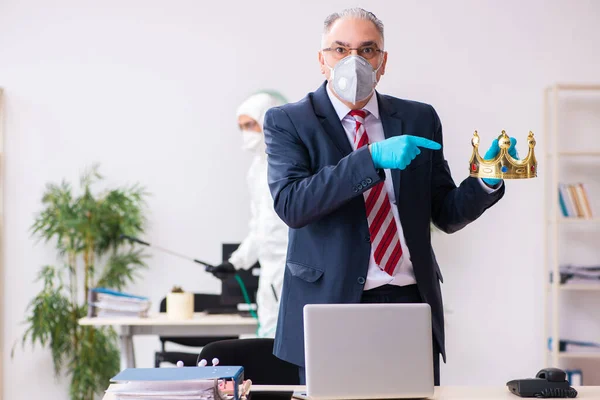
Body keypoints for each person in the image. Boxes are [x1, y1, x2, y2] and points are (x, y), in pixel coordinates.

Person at [262, 8, 518, 385]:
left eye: (367, 51)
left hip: (409, 302)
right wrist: (371, 159)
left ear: (383, 62)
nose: (354, 61)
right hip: (329, 303)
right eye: (340, 49)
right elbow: (293, 205)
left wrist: (486, 180)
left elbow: (445, 212)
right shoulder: (289, 121)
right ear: (321, 60)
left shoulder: (418, 118)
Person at [209, 91, 290, 338]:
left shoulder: (290, 162)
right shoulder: (256, 170)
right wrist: (235, 262)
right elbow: (260, 228)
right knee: (268, 335)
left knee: (288, 337)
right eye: (241, 127)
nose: (246, 132)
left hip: (291, 267)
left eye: (250, 125)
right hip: (269, 269)